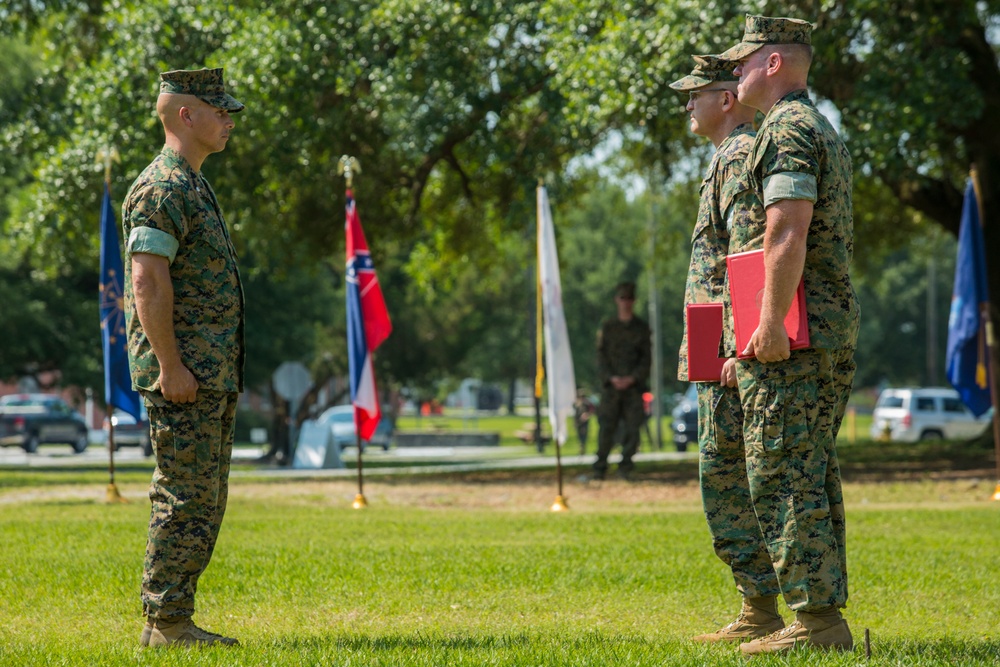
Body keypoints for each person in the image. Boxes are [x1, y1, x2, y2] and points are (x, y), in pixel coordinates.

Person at [720, 15, 861, 654]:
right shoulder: (816, 125)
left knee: (783, 471)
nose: (735, 73)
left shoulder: (789, 129)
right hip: (821, 329)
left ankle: (818, 624)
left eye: (743, 61)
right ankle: (819, 615)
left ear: (774, 62)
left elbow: (785, 230)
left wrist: (769, 321)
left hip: (797, 334)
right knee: (807, 467)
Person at [122, 67, 246, 648]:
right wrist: (171, 365)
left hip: (206, 372)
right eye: (218, 110)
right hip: (184, 373)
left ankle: (171, 620)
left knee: (203, 496)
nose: (228, 119)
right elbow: (147, 283)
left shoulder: (191, 184)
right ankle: (166, 622)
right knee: (184, 494)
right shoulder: (163, 187)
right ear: (184, 115)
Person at [669, 55, 784, 643]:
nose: (687, 104)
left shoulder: (740, 155)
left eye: (697, 94)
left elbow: (748, 255)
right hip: (712, 336)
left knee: (729, 476)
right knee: (723, 475)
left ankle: (763, 609)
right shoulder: (724, 159)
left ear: (727, 100)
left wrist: (738, 347)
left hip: (727, 343)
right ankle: (756, 606)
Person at [590, 282, 651, 480]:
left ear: (633, 301)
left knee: (633, 428)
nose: (625, 302)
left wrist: (633, 378)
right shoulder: (608, 327)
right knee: (606, 427)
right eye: (622, 298)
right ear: (617, 300)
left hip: (633, 388)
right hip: (611, 388)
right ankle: (600, 468)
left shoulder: (641, 328)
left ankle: (626, 467)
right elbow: (600, 357)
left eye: (628, 298)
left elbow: (646, 359)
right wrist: (610, 378)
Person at [573, 389, 596, 456]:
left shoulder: (587, 403)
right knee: (579, 435)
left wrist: (587, 414)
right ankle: (581, 447)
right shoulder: (577, 403)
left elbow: (592, 410)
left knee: (583, 435)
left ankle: (582, 447)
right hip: (578, 421)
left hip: (584, 422)